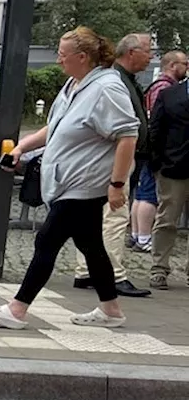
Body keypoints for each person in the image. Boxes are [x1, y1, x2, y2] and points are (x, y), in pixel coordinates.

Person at [0, 27, 138, 330]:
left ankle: (17, 309)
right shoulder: (75, 84)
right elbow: (57, 126)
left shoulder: (107, 89)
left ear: (82, 57)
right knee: (91, 246)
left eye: (63, 56)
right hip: (68, 182)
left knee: (47, 240)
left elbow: (128, 135)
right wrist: (23, 146)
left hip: (83, 184)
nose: (58, 60)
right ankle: (111, 310)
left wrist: (117, 184)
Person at [72, 33, 152, 297]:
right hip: (114, 158)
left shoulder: (115, 79)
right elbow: (125, 130)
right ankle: (112, 275)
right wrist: (117, 180)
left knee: (94, 217)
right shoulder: (115, 81)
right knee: (114, 216)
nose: (151, 57)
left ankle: (87, 270)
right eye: (147, 51)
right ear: (131, 52)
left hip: (106, 157)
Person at [131, 51, 187, 253]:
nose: (187, 67)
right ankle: (144, 237)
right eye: (184, 63)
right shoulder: (164, 88)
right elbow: (157, 122)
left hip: (156, 152)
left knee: (142, 193)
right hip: (159, 153)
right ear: (172, 65)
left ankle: (138, 235)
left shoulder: (161, 86)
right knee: (148, 194)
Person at [147, 61, 189, 290]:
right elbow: (156, 130)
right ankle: (159, 269)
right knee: (166, 220)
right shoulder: (170, 95)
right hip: (174, 168)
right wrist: (157, 165)